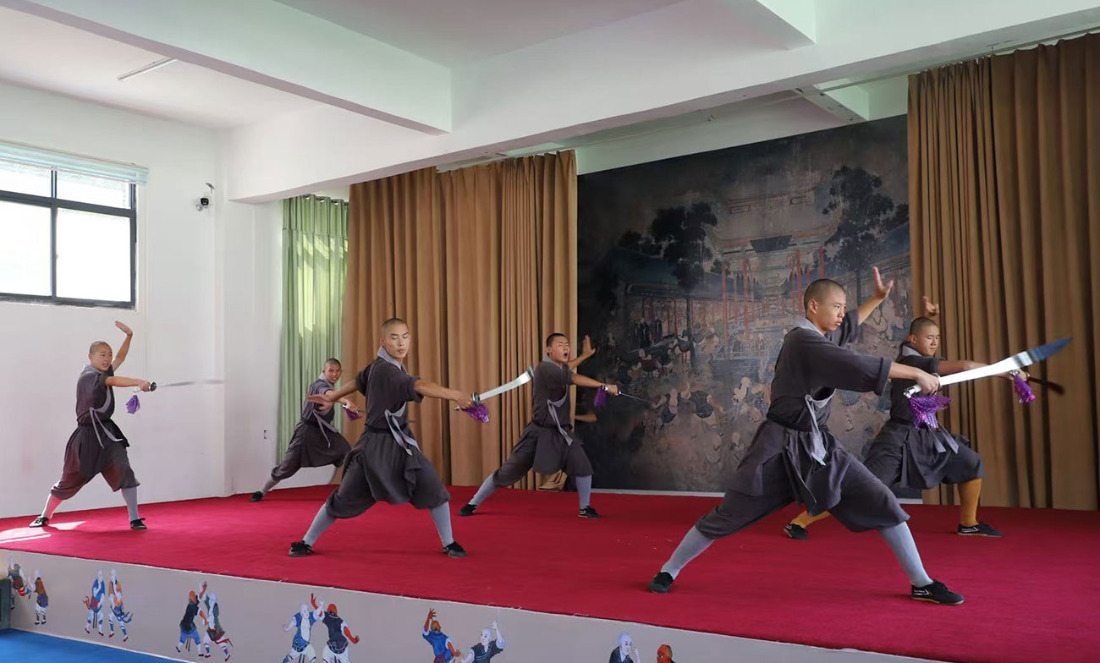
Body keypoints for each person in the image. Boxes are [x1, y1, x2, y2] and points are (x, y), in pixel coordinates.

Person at [647, 270, 964, 605]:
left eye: (842, 307)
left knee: (881, 499)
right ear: (814, 306)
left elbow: (848, 327)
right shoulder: (802, 340)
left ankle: (921, 582)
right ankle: (669, 569)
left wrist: (877, 299)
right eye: (836, 306)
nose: (842, 313)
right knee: (729, 513)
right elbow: (855, 362)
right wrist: (916, 371)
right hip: (778, 447)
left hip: (818, 449)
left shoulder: (820, 337)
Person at [784, 297, 1011, 540]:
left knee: (970, 462)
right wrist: (1005, 371)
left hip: (928, 436)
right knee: (863, 489)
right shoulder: (913, 361)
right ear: (913, 339)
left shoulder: (912, 352)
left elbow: (916, 339)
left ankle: (968, 523)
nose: (934, 343)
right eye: (929, 338)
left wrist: (928, 317)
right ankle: (800, 521)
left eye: (936, 338)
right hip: (898, 439)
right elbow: (965, 367)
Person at [289, 318, 473, 558]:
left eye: (405, 337)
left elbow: (358, 381)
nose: (401, 343)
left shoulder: (379, 365)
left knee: (433, 487)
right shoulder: (387, 370)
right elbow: (419, 385)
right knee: (344, 497)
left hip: (401, 444)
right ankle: (306, 541)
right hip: (374, 448)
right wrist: (456, 394)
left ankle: (449, 542)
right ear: (383, 341)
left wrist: (333, 396)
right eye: (394, 338)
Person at [459, 334, 619, 518]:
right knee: (507, 473)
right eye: (560, 345)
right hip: (538, 433)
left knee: (582, 466)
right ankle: (473, 503)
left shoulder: (559, 369)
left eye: (567, 345)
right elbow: (572, 377)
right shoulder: (545, 369)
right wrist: (604, 386)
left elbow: (567, 370)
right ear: (549, 350)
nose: (565, 348)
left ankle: (585, 508)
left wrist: (585, 355)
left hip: (562, 433)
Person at [30, 322, 152, 530]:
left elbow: (120, 358)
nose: (107, 358)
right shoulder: (88, 377)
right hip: (86, 437)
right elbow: (112, 381)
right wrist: (138, 381)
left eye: (108, 354)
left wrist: (129, 336)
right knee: (69, 480)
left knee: (124, 470)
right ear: (91, 357)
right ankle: (45, 515)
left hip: (107, 434)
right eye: (102, 355)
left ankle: (134, 518)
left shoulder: (103, 372)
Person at [252, 358, 355, 501]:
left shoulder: (330, 386)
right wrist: (347, 401)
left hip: (324, 432)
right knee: (287, 468)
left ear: (341, 372)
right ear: (323, 371)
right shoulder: (318, 385)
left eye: (337, 371)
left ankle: (349, 490)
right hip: (306, 432)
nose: (334, 374)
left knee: (348, 452)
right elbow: (330, 395)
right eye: (331, 371)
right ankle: (261, 491)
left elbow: (332, 396)